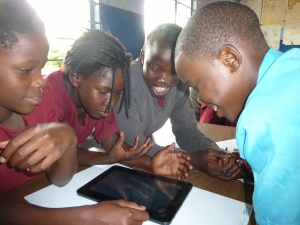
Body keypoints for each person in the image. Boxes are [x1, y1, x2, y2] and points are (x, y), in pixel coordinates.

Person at [0, 1, 149, 224]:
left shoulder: (43, 98)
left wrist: (67, 138)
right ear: (76, 78)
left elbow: (59, 179)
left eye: (41, 68)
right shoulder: (51, 95)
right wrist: (84, 216)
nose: (41, 80)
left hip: (44, 195)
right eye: (26, 70)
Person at [174, 1, 300, 224]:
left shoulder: (260, 119)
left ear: (229, 59)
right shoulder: (293, 61)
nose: (200, 98)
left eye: (197, 85)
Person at [45, 29, 191, 179]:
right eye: (103, 91)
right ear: (76, 78)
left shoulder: (101, 98)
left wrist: (151, 164)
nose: (111, 103)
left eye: (118, 93)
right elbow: (60, 154)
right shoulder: (49, 96)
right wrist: (105, 158)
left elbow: (113, 144)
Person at [114, 23, 248, 181]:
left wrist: (218, 155)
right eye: (155, 69)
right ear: (143, 57)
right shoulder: (128, 82)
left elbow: (187, 132)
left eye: (174, 71)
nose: (163, 79)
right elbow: (134, 145)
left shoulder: (180, 84)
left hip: (137, 156)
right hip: (104, 157)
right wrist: (195, 160)